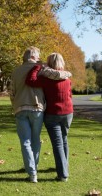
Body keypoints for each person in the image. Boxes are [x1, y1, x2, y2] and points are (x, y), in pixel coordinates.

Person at [10, 47, 71, 183]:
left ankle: (32, 173)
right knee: (36, 139)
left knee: (25, 141)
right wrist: (67, 73)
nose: (40, 58)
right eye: (38, 56)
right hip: (39, 108)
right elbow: (59, 77)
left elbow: (13, 91)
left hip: (21, 108)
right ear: (33, 56)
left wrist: (14, 106)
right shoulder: (44, 70)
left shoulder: (16, 71)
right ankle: (41, 168)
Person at [25, 52, 73, 182]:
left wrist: (37, 67)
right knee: (64, 139)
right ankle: (64, 166)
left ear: (49, 63)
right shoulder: (67, 78)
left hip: (53, 113)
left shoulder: (46, 78)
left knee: (57, 143)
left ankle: (63, 174)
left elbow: (30, 80)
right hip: (68, 112)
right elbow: (70, 95)